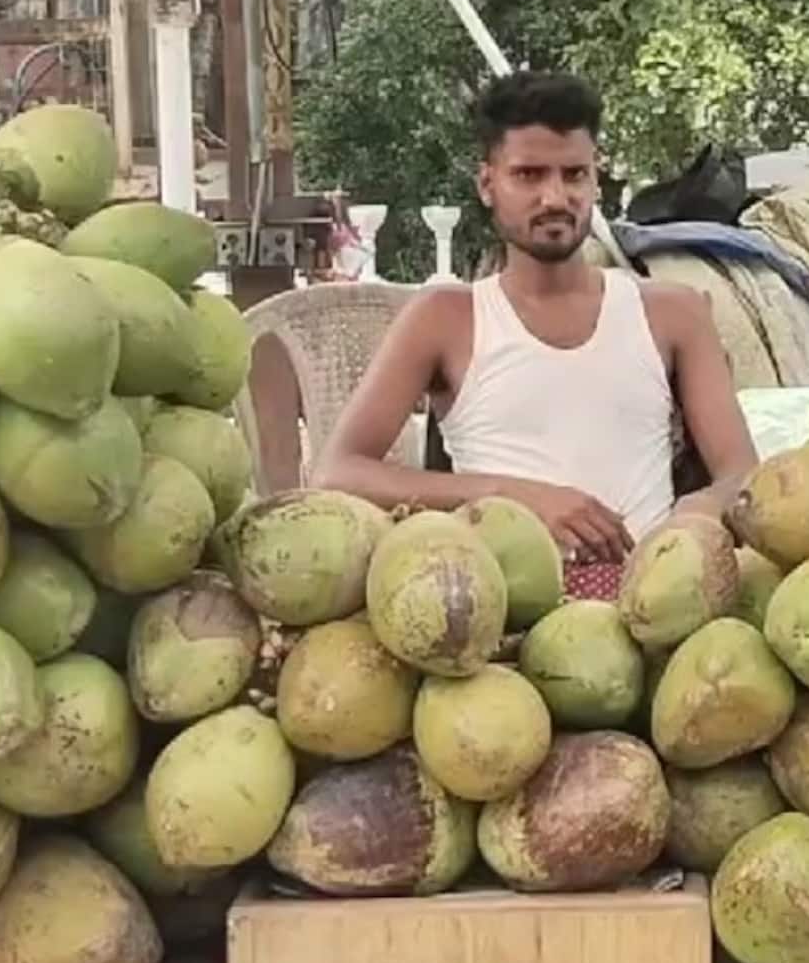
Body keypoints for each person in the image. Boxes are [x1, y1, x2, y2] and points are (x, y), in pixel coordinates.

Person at [314, 71, 759, 598]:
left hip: (657, 597)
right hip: (500, 610)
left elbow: (741, 474)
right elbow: (338, 472)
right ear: (487, 184)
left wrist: (700, 509)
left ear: (597, 181)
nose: (554, 196)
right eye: (528, 175)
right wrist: (514, 497)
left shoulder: (672, 311)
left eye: (574, 174)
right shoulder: (445, 316)